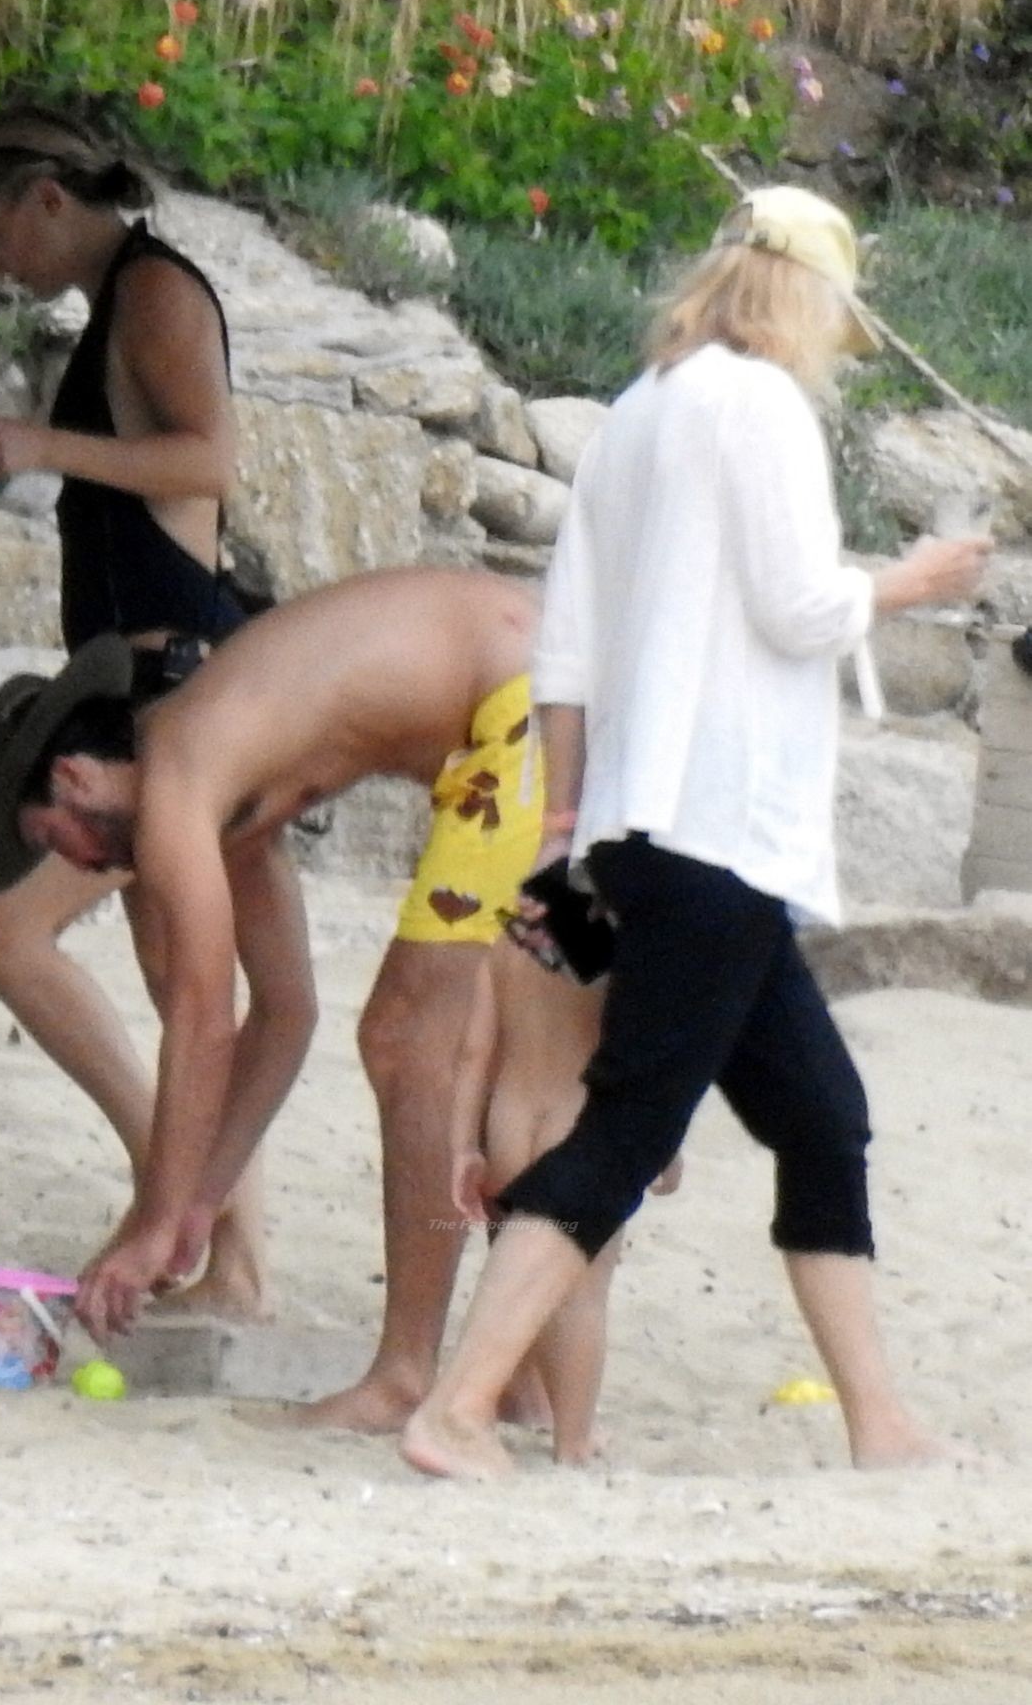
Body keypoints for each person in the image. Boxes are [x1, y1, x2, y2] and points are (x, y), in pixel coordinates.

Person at [401, 185, 993, 1480]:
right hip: (719, 826)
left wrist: (565, 825)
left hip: (643, 823)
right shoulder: (758, 403)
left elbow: (564, 650)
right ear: (804, 300)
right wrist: (914, 579)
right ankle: (456, 1407)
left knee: (821, 1118)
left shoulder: (636, 411)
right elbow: (797, 608)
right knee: (627, 1126)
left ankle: (878, 1423)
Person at [0, 567, 544, 1430]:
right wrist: (197, 1207)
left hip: (526, 702)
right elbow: (283, 1014)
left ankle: (403, 1376)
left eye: (57, 840)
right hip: (538, 693)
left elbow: (202, 1020)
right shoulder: (235, 772)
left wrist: (154, 1222)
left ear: (76, 778)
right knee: (508, 1055)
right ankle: (526, 1380)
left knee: (407, 1038)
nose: (81, 867)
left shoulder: (177, 778)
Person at [0, 106, 278, 1318]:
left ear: (46, 198)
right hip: (150, 682)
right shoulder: (114, 303)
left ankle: (173, 1204)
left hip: (177, 689)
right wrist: (32, 452)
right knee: (183, 975)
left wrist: (41, 444)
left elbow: (208, 462)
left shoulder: (154, 291)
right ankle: (222, 1254)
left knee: (8, 931)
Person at [449, 936, 682, 1465]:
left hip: (509, 1123)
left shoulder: (507, 946)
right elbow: (639, 1049)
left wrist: (463, 1146)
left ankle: (491, 1401)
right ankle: (573, 1438)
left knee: (520, 1279)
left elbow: (474, 1054)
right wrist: (664, 1144)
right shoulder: (614, 947)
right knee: (582, 1295)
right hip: (577, 1121)